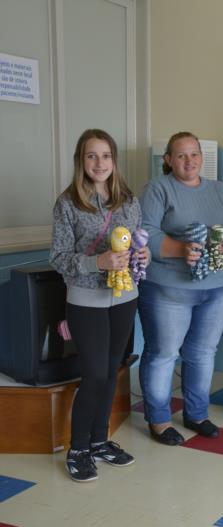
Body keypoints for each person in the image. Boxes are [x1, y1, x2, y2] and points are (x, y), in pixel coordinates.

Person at [50, 129, 149, 482]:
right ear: (81, 160)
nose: (99, 163)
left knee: (111, 372)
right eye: (92, 156)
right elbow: (59, 258)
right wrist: (98, 263)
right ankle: (78, 448)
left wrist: (143, 254)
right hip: (86, 301)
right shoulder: (68, 203)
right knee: (93, 374)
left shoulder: (129, 200)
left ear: (114, 160)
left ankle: (99, 441)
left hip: (124, 298)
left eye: (105, 156)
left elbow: (137, 244)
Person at [138, 131, 223, 445]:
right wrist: (181, 249)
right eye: (181, 155)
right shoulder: (158, 189)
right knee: (163, 354)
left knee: (202, 353)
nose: (189, 161)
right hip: (167, 288)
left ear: (202, 157)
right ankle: (158, 419)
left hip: (215, 288)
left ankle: (196, 414)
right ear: (168, 160)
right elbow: (145, 233)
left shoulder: (221, 191)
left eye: (194, 154)